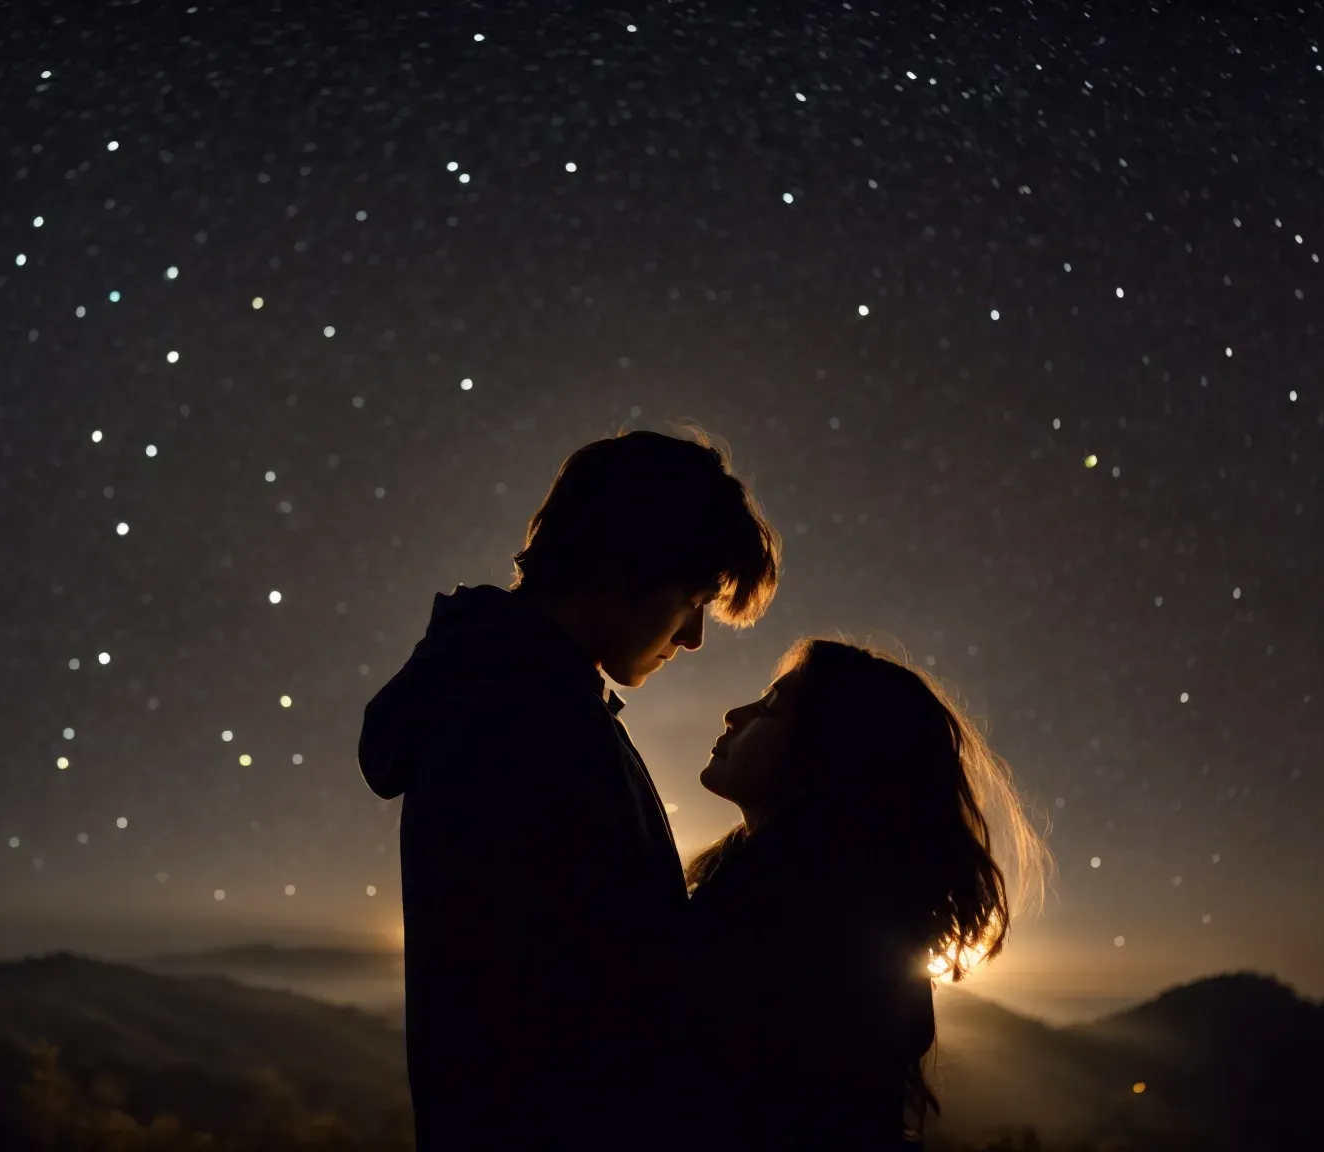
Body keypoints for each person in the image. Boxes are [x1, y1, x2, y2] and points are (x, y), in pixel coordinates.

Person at [358, 428, 781, 1150]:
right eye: (694, 599)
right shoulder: (526, 718)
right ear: (619, 567)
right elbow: (594, 1007)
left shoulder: (517, 698)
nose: (693, 639)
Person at [683, 637, 1049, 1150]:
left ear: (828, 756)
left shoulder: (794, 927)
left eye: (768, 709)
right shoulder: (780, 896)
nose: (732, 714)